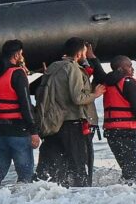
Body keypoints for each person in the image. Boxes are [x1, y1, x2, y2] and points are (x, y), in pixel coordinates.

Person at [34, 37, 105, 187]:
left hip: (53, 124)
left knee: (56, 168)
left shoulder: (53, 67)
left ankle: (57, 195)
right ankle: (81, 196)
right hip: (72, 124)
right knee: (78, 166)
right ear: (79, 54)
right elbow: (77, 98)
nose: (85, 55)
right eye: (84, 52)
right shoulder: (72, 68)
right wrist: (96, 94)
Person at [0, 40, 40, 185]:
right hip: (18, 131)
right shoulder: (18, 74)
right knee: (25, 174)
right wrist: (34, 131)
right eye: (21, 54)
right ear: (17, 55)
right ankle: (21, 200)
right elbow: (25, 105)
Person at [102, 55, 136, 184]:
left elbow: (98, 71)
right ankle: (126, 194)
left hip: (111, 133)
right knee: (130, 174)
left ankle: (119, 192)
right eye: (129, 66)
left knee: (126, 171)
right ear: (120, 69)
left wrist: (93, 58)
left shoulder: (106, 81)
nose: (132, 69)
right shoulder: (130, 83)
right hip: (126, 132)